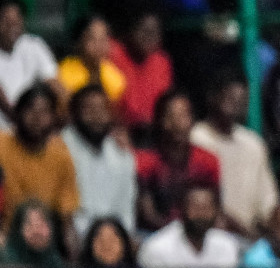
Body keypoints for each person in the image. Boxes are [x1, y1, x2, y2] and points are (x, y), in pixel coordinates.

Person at [190, 70, 279, 238]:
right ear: (212, 97)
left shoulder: (253, 144)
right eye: (230, 99)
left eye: (241, 101)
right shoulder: (195, 139)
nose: (235, 106)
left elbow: (268, 202)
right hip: (207, 236)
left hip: (249, 238)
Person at [136, 88, 221, 233]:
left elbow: (215, 208)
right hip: (156, 235)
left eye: (183, 116)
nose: (177, 123)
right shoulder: (145, 162)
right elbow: (147, 214)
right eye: (171, 116)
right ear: (159, 120)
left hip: (199, 232)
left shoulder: (208, 161)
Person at [0, 85, 78, 233]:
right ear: (18, 112)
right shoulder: (1, 144)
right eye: (30, 109)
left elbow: (66, 213)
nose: (36, 118)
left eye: (44, 112)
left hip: (41, 237)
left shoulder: (61, 155)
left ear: (54, 119)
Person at [61, 84, 137, 238]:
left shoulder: (121, 153)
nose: (97, 116)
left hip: (113, 238)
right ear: (74, 113)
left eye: (102, 110)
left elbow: (126, 208)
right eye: (89, 110)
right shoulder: (60, 148)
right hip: (72, 237)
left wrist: (124, 237)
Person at [138, 182, 243, 268]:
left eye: (206, 208)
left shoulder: (227, 245)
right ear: (182, 210)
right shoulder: (157, 248)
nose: (201, 214)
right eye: (195, 207)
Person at [108, 11, 175, 139]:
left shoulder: (162, 62)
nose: (148, 37)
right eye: (143, 30)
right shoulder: (113, 54)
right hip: (119, 131)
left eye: (154, 32)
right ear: (130, 31)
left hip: (154, 133)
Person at [0, 0, 60, 128]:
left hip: (30, 126)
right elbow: (6, 106)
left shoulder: (34, 45)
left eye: (16, 20)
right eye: (5, 20)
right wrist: (27, 122)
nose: (12, 25)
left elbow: (53, 83)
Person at [57, 14, 127, 113]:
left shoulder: (116, 78)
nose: (99, 45)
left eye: (103, 39)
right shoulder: (63, 73)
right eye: (92, 38)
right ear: (78, 42)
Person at [1, 200, 66, 268]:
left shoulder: (55, 262)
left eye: (42, 224)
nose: (36, 231)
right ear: (18, 230)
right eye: (29, 224)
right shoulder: (6, 264)